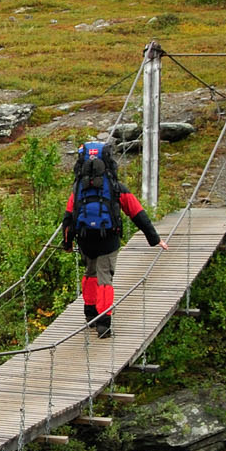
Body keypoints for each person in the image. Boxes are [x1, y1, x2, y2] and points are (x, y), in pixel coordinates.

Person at [60, 140, 166, 338]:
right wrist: (155, 239)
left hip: (85, 240)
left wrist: (67, 243)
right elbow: (137, 213)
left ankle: (90, 313)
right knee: (104, 279)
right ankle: (103, 323)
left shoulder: (78, 189)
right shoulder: (116, 187)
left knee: (90, 272)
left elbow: (68, 218)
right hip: (108, 240)